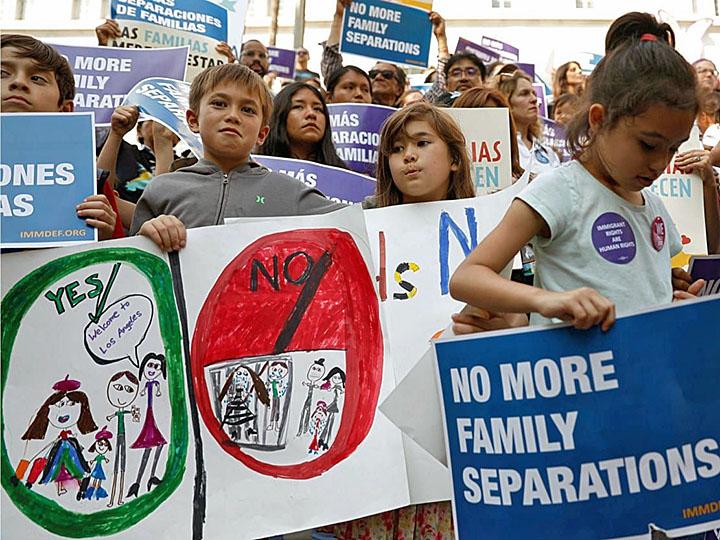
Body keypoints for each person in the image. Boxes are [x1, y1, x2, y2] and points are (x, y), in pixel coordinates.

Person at [449, 14, 707, 332]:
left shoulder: (653, 205)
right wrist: (546, 300)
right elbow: (467, 277)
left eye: (673, 148)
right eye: (648, 145)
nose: (659, 163)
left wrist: (668, 297)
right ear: (599, 120)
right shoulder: (560, 190)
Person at [319, 102, 476, 539]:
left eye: (423, 144)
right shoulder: (356, 228)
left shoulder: (490, 229)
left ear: (455, 158)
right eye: (397, 148)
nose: (408, 155)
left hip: (448, 428)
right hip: (374, 422)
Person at [129, 63, 342, 251]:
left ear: (262, 134)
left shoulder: (289, 192)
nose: (233, 116)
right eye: (219, 104)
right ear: (193, 120)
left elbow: (362, 218)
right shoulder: (162, 188)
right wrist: (147, 237)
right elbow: (132, 271)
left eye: (248, 110)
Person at [1, 34, 119, 240]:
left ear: (65, 109)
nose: (19, 82)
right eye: (2, 73)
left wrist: (103, 238)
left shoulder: (89, 183)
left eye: (37, 78)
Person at [322, 1, 448, 107]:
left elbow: (439, 89)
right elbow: (332, 66)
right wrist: (339, 17)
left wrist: (441, 40)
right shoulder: (351, 105)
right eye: (373, 74)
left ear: (399, 88)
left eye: (387, 75)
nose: (378, 77)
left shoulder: (406, 113)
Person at [22, 376, 97, 498]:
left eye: (72, 404)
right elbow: (32, 455)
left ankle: (82, 491)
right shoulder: (46, 438)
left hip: (71, 450)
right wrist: (19, 474)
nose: (64, 409)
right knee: (45, 463)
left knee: (83, 470)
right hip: (59, 451)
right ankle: (29, 483)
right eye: (60, 404)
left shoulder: (74, 439)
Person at [257, 81, 347, 168]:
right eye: (299, 107)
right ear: (280, 116)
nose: (311, 114)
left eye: (318, 109)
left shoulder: (343, 175)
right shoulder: (255, 168)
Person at [495, 69, 561, 176]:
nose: (534, 99)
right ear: (506, 102)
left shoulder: (548, 152)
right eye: (524, 94)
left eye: (534, 93)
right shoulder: (497, 150)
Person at [453, 87, 525, 180]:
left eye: (492, 118)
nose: (482, 125)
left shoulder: (529, 185)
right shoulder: (442, 186)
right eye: (474, 118)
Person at [127, 353, 167, 498]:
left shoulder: (155, 384)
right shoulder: (145, 385)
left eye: (157, 367)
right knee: (150, 447)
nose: (153, 369)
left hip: (152, 417)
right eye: (150, 365)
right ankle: (138, 481)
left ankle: (150, 476)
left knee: (158, 445)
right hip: (148, 417)